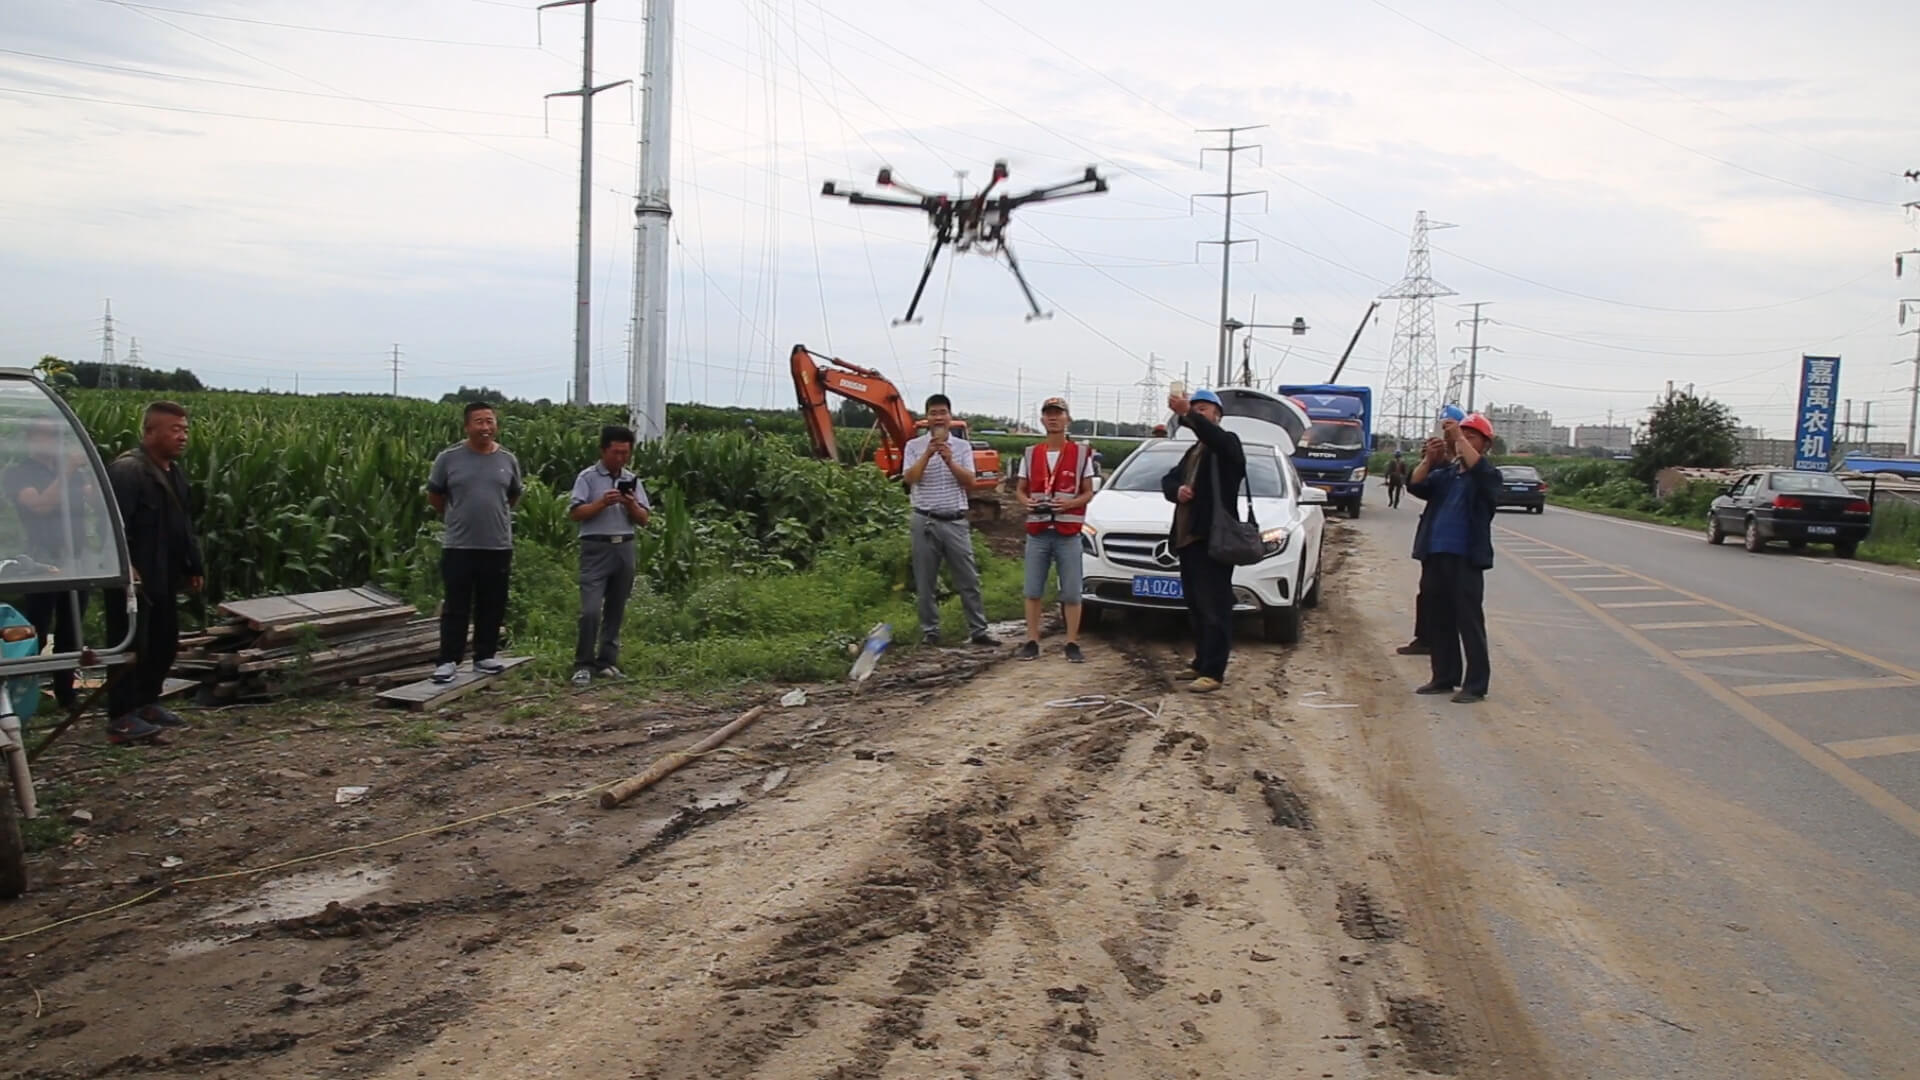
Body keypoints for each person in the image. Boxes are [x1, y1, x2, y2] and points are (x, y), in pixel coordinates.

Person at [102, 401, 203, 744]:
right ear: (149, 432)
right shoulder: (128, 471)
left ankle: (147, 702)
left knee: (163, 642)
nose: (182, 436)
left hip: (164, 576)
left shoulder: (173, 472)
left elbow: (182, 525)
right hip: (133, 578)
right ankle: (121, 716)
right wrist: (123, 566)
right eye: (175, 430)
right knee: (132, 644)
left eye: (185, 429)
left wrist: (193, 564)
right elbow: (111, 526)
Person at [1405, 413, 1501, 703]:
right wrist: (1429, 458)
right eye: (1463, 435)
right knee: (1439, 619)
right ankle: (1444, 677)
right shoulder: (1446, 475)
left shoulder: (1487, 476)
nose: (1464, 440)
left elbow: (1481, 471)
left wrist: (1458, 437)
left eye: (1472, 437)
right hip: (1436, 555)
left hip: (1466, 558)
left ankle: (1475, 685)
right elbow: (1416, 485)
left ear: (1485, 444)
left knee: (1468, 621)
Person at [426, 402, 523, 684]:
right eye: (479, 422)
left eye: (490, 421)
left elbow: (513, 496)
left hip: (497, 544)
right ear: (467, 426)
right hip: (459, 545)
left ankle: (484, 655)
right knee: (456, 604)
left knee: (492, 602)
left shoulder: (507, 459)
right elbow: (435, 496)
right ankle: (448, 660)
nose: (485, 427)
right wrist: (457, 516)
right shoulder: (449, 458)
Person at [5, 419, 97, 709]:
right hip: (41, 560)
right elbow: (40, 505)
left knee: (72, 627)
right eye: (46, 435)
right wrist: (67, 471)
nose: (53, 441)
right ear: (31, 438)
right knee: (38, 627)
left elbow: (94, 500)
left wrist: (87, 472)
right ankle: (22, 692)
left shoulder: (68, 472)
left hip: (74, 558)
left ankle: (66, 692)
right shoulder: (20, 473)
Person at [1160, 389, 1246, 694]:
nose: (1199, 412)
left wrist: (1187, 414)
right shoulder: (1193, 451)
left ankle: (1214, 671)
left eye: (1205, 408)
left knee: (1215, 606)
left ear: (1218, 416)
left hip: (1213, 539)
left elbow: (1214, 437)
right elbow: (1168, 479)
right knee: (1196, 606)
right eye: (1196, 407)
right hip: (1188, 540)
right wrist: (1177, 490)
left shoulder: (1227, 444)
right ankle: (1200, 661)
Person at [902, 394, 994, 647]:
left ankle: (978, 630)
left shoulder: (963, 448)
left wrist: (949, 459)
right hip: (925, 519)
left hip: (955, 520)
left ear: (950, 417)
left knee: (968, 578)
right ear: (927, 418)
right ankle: (930, 631)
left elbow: (970, 482)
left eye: (943, 412)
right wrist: (928, 454)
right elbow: (910, 479)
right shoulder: (913, 447)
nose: (938, 417)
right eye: (933, 413)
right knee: (925, 580)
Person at [567, 426, 650, 688]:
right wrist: (602, 502)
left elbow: (644, 519)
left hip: (624, 546)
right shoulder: (588, 478)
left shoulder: (632, 479)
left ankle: (607, 662)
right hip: (595, 546)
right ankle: (583, 664)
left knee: (616, 608)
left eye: (626, 453)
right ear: (603, 450)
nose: (621, 458)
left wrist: (630, 504)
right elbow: (576, 513)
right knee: (590, 610)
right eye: (616, 452)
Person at [1016, 397, 1095, 663]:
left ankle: (1072, 642)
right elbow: (1020, 489)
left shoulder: (1082, 453)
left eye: (1058, 414)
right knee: (1032, 589)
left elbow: (1088, 491)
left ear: (1067, 419)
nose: (1053, 418)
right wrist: (1025, 501)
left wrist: (1070, 503)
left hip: (1068, 530)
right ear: (1042, 419)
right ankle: (1031, 640)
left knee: (1072, 591)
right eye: (1048, 414)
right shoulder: (1031, 453)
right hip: (1038, 529)